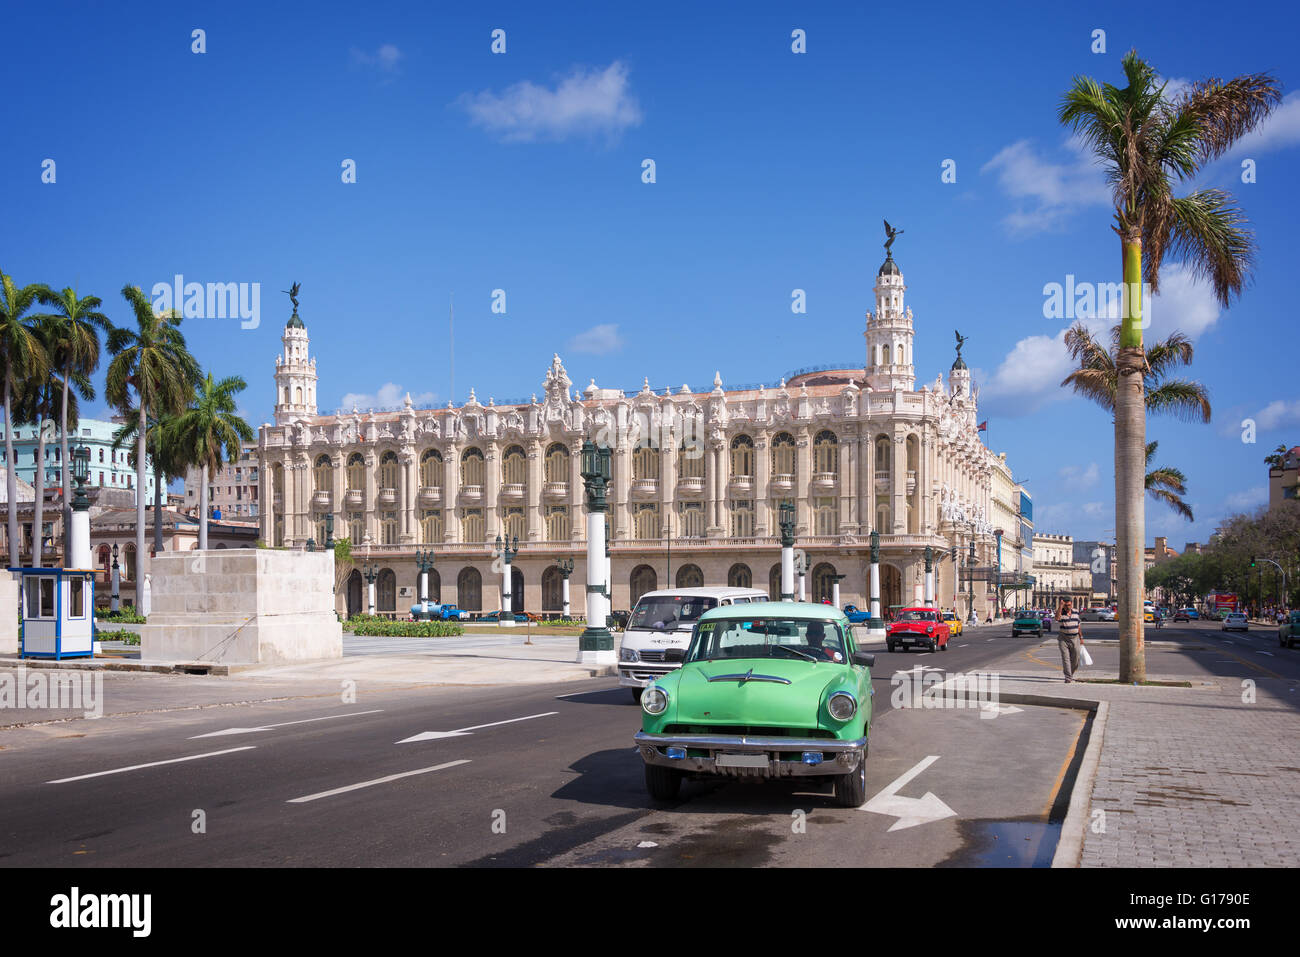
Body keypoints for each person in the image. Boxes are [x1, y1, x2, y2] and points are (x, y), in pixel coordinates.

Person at [1057, 598, 1083, 683]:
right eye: (1066, 605)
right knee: (1066, 658)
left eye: (1069, 605)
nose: (1067, 607)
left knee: (1076, 658)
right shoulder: (1060, 612)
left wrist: (1081, 637)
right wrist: (1060, 606)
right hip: (1063, 638)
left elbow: (1078, 625)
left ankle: (1070, 674)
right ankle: (1068, 677)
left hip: (1075, 638)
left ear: (1071, 604)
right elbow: (1057, 618)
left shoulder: (1076, 612)